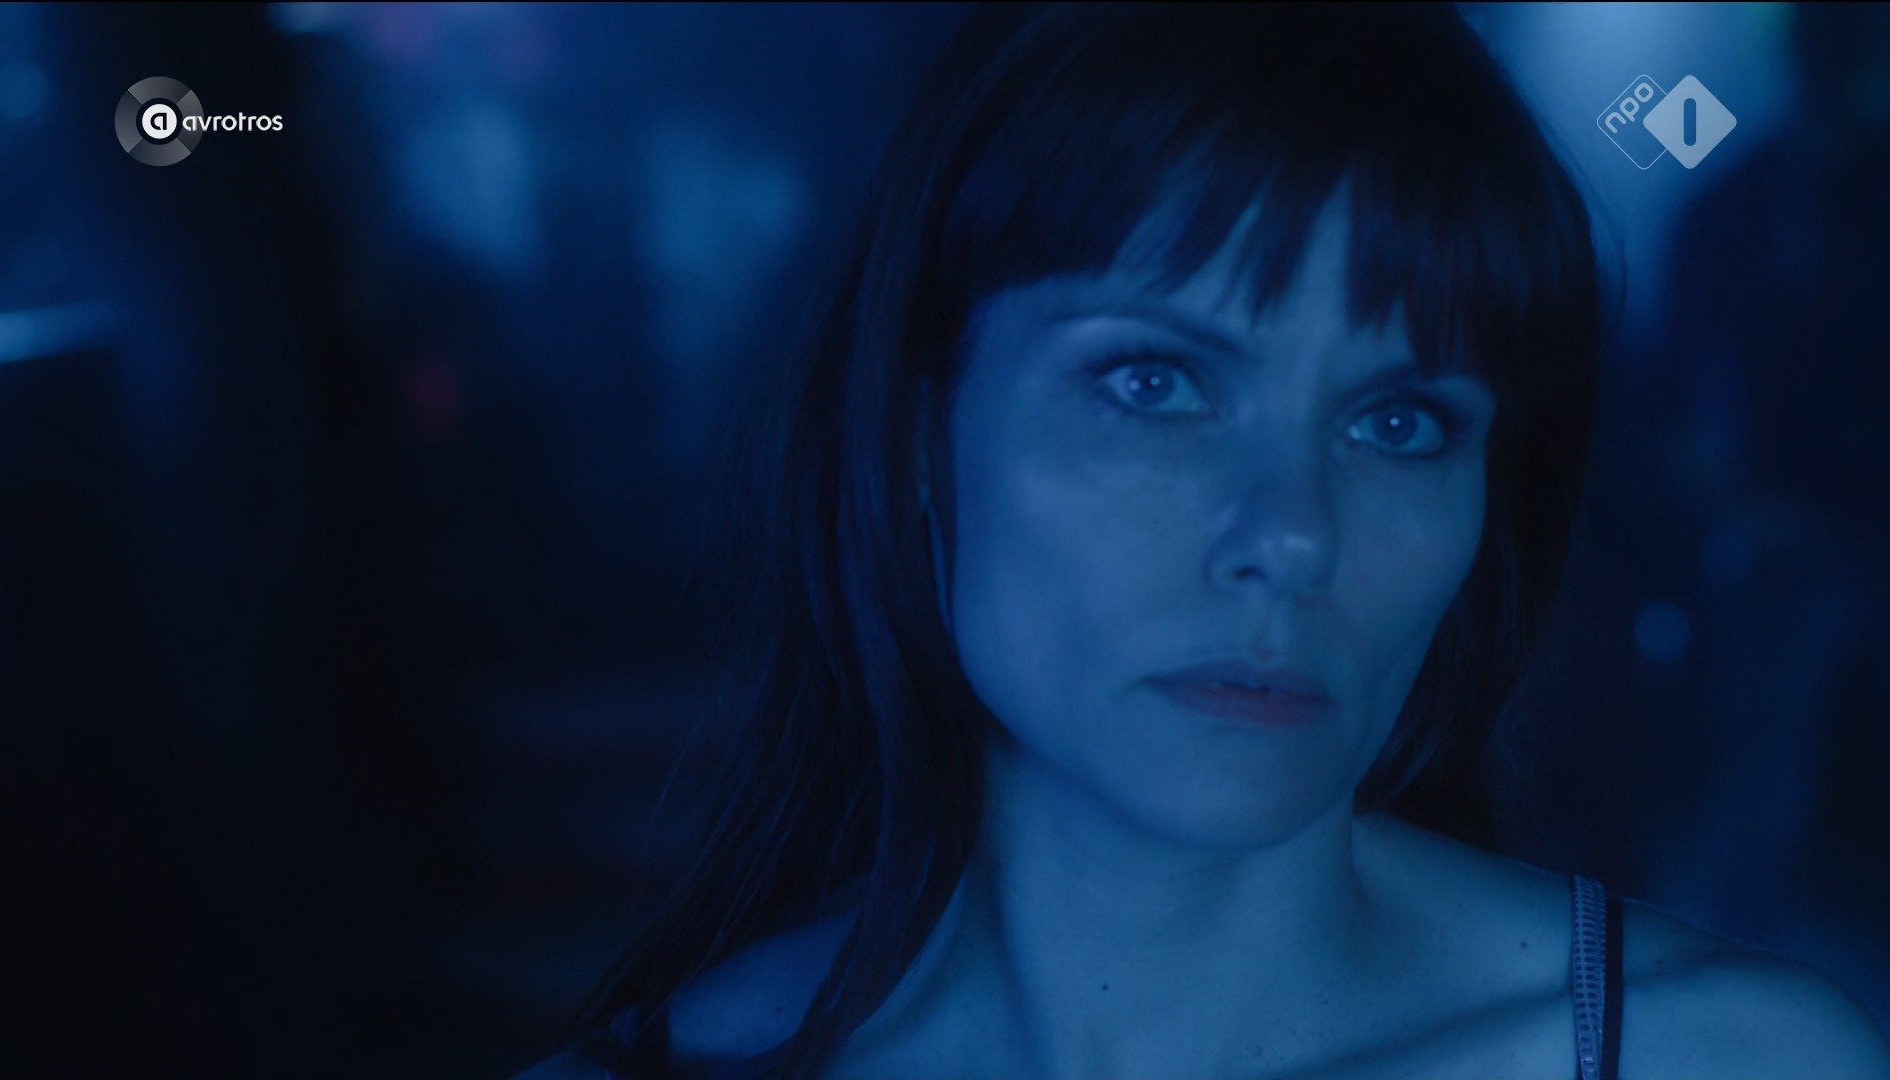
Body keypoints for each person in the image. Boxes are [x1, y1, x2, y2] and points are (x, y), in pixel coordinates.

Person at [522, 5, 1890, 1078]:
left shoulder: (1727, 1063)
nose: (1290, 536)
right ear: (918, 432)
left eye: (1399, 422)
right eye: (1153, 383)